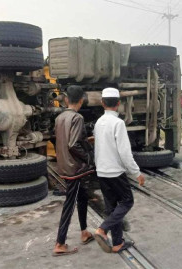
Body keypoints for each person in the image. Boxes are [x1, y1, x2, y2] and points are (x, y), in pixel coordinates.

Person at [93, 87, 145, 253]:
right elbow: (124, 152)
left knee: (112, 207)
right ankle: (102, 229)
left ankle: (117, 243)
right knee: (127, 201)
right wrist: (136, 173)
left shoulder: (98, 123)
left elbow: (97, 148)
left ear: (102, 103)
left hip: (102, 171)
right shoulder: (118, 123)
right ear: (119, 104)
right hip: (115, 172)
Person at [53, 86, 95, 256]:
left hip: (64, 164)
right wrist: (89, 158)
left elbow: (65, 140)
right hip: (75, 168)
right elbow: (73, 145)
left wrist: (85, 140)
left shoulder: (60, 117)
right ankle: (60, 243)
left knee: (83, 198)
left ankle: (84, 232)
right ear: (81, 100)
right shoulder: (77, 118)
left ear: (65, 100)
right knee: (70, 204)